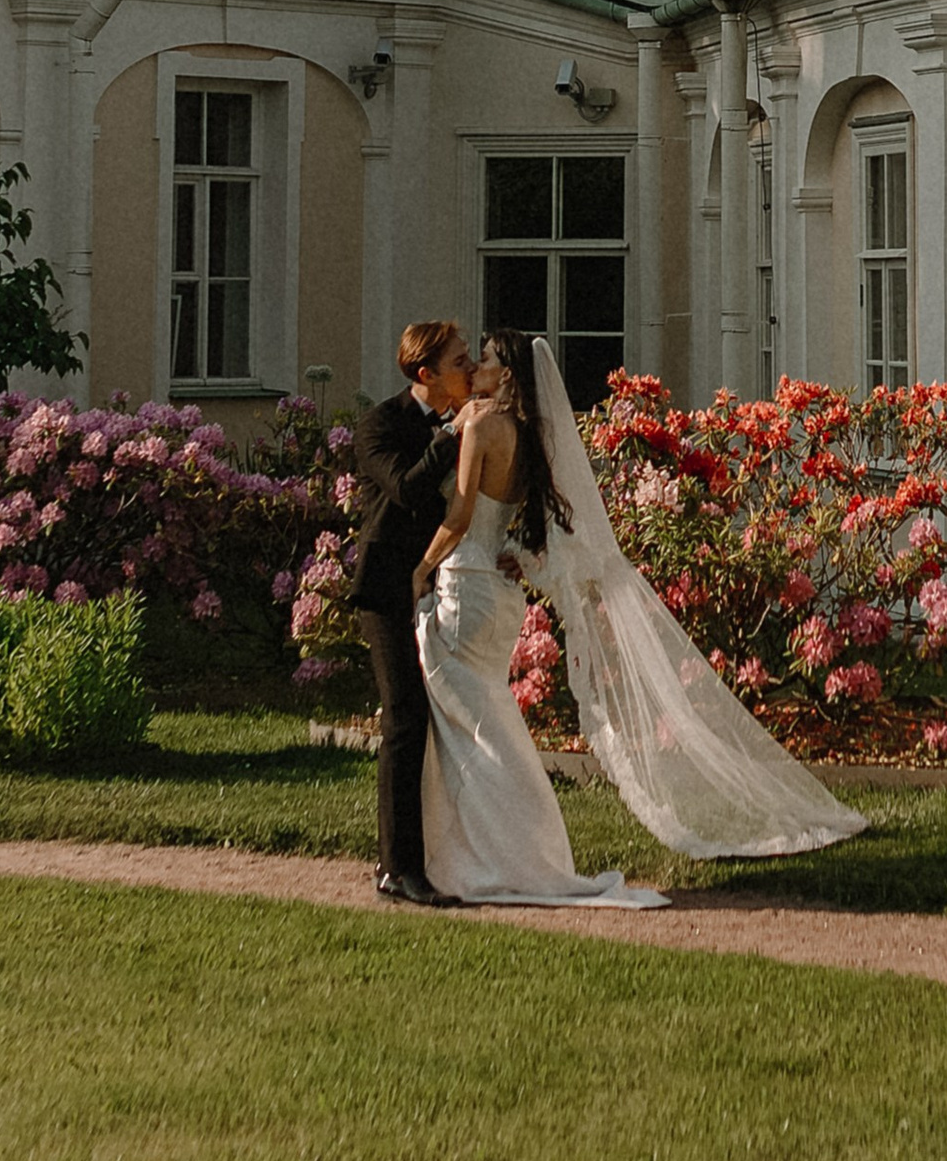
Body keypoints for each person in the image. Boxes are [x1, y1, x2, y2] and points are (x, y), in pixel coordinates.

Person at [408, 327, 865, 906]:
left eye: (489, 360)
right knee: (489, 719)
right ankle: (500, 849)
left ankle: (499, 856)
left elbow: (460, 512)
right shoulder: (525, 434)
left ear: (510, 374)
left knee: (471, 728)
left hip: (465, 586)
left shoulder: (480, 426)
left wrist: (421, 569)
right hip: (498, 593)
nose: (476, 367)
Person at [347, 319, 474, 907]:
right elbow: (404, 489)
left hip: (444, 586)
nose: (469, 370)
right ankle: (398, 869)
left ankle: (450, 857)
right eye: (458, 362)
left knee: (440, 720)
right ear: (426, 375)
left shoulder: (469, 421)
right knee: (404, 718)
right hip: (388, 585)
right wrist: (451, 436)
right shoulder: (380, 424)